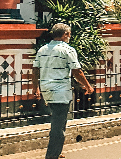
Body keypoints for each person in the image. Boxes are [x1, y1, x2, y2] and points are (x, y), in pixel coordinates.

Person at [33, 23, 94, 159]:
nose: (70, 36)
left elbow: (35, 70)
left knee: (57, 121)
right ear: (65, 34)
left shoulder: (42, 50)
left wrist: (35, 88)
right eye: (69, 34)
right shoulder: (68, 50)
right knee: (58, 126)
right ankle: (52, 155)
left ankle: (57, 151)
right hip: (60, 91)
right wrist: (88, 86)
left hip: (47, 90)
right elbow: (77, 72)